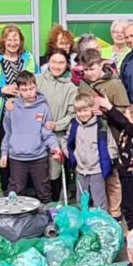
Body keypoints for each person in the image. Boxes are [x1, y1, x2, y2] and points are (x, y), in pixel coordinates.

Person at [0, 24, 37, 192]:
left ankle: (28, 191)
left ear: (21, 41)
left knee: (29, 150)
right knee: (7, 153)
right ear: (3, 41)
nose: (12, 43)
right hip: (4, 116)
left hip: (27, 114)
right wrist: (1, 89)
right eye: (9, 39)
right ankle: (8, 190)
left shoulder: (29, 58)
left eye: (16, 39)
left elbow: (37, 80)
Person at [79, 47, 130, 219]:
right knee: (95, 178)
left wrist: (105, 110)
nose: (89, 73)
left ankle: (115, 213)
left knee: (111, 177)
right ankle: (97, 213)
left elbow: (124, 112)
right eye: (85, 70)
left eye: (92, 68)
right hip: (90, 138)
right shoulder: (83, 84)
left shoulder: (115, 84)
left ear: (101, 65)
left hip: (110, 138)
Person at [1, 71, 61, 203]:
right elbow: (8, 132)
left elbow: (47, 132)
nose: (29, 93)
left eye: (31, 88)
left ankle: (48, 214)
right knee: (15, 191)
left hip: (39, 158)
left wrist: (55, 147)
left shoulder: (43, 107)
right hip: (17, 158)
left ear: (36, 87)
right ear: (18, 90)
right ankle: (15, 215)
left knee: (44, 191)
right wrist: (4, 153)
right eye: (24, 90)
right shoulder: (12, 107)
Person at [36, 49, 78, 195]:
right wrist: (11, 104)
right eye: (54, 62)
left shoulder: (71, 87)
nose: (57, 66)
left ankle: (55, 203)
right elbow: (22, 97)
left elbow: (73, 114)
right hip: (35, 136)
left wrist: (57, 124)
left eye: (61, 62)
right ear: (48, 62)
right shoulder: (37, 80)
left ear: (67, 64)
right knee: (36, 173)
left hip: (57, 136)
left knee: (55, 173)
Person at [68, 93, 118, 210]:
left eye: (85, 110)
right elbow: (67, 140)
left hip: (97, 170)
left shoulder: (101, 125)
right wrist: (70, 154)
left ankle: (101, 219)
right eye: (79, 111)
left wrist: (111, 158)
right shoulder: (74, 125)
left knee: (99, 199)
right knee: (82, 199)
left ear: (92, 109)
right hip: (80, 169)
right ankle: (83, 218)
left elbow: (110, 144)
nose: (82, 114)